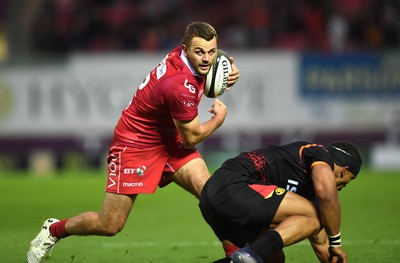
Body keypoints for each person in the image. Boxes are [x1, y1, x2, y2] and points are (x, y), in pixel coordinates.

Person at [27, 21, 240, 263]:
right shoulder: (177, 84)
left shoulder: (183, 58)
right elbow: (191, 135)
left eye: (211, 52)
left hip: (169, 140)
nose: (206, 59)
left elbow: (202, 80)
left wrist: (224, 77)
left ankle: (235, 255)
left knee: (211, 194)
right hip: (136, 143)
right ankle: (53, 230)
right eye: (199, 52)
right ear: (185, 49)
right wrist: (218, 120)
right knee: (110, 224)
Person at [199, 141, 363, 263]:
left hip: (213, 197)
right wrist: (336, 242)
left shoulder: (310, 195)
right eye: (349, 180)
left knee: (273, 259)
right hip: (233, 185)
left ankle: (248, 255)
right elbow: (328, 195)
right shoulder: (319, 154)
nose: (344, 187)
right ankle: (250, 254)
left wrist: (334, 253)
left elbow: (322, 245)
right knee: (315, 215)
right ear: (344, 171)